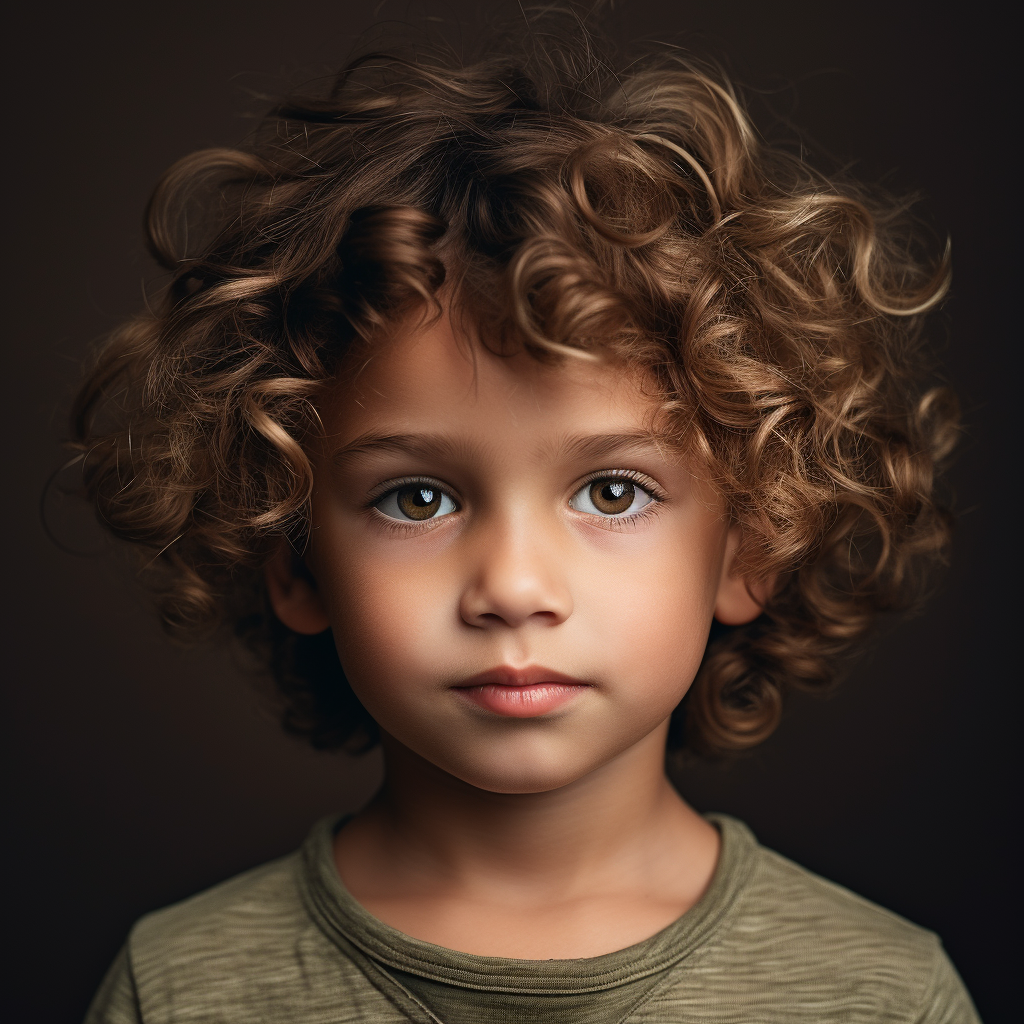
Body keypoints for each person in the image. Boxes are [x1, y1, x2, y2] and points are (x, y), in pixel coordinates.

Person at [76, 14, 978, 1023]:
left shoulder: (880, 995)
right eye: (416, 498)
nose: (512, 585)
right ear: (293, 555)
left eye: (612, 492)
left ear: (749, 543)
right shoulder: (185, 989)